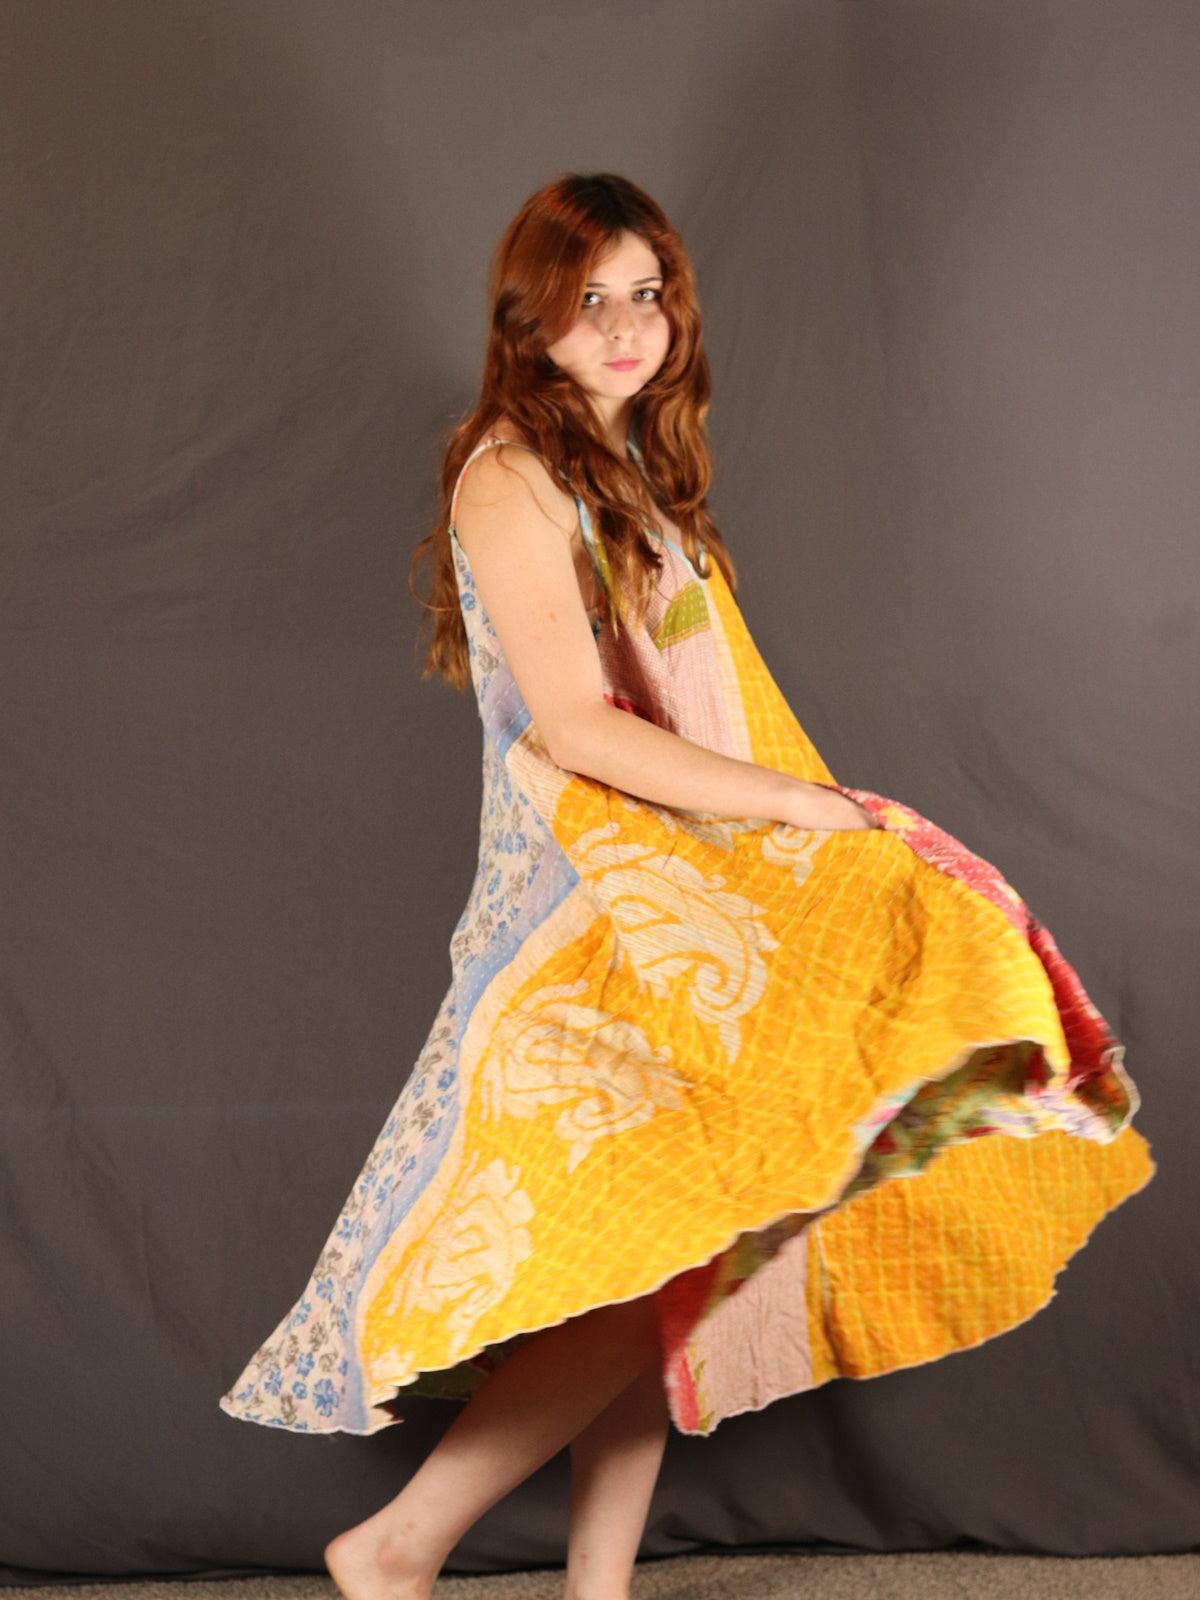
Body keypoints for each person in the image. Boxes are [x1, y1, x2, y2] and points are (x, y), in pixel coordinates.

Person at [220, 173, 1153, 1600]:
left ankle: (593, 1589)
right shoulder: (509, 472)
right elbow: (576, 726)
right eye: (589, 299)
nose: (624, 327)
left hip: (686, 898)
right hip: (600, 916)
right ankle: (396, 1545)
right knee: (673, 1242)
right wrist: (803, 806)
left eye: (646, 295)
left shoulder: (626, 468)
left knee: (676, 1248)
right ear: (529, 318)